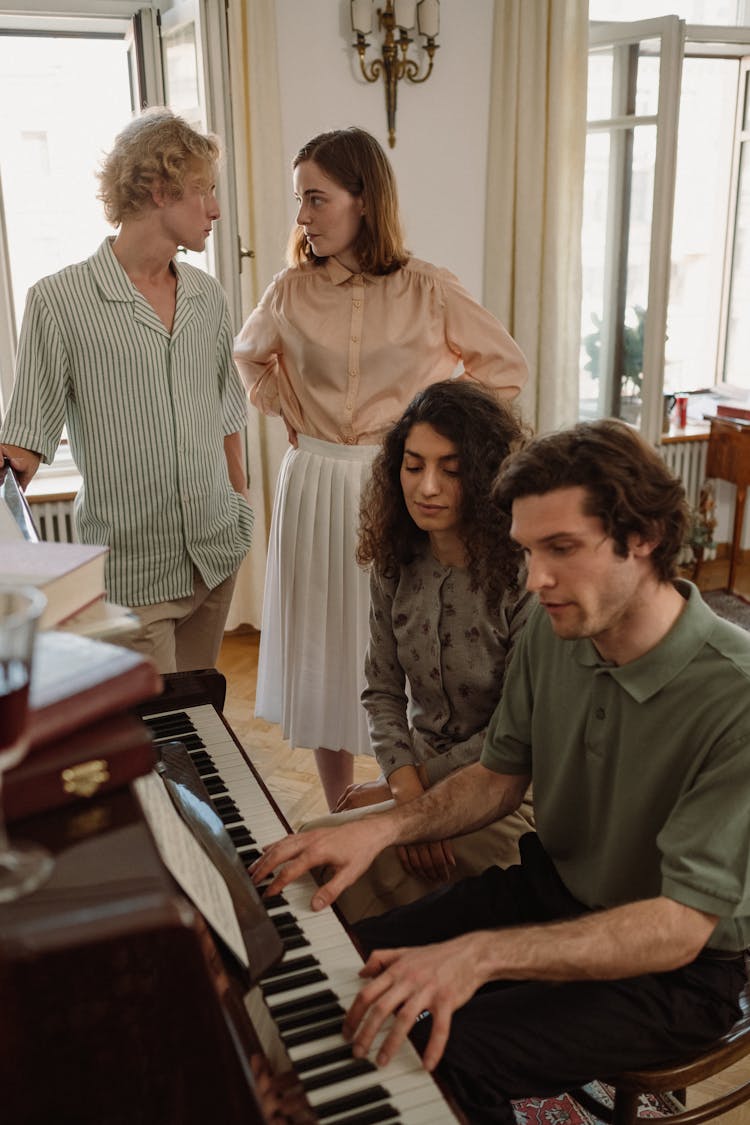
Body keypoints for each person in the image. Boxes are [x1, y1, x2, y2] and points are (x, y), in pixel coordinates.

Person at [251, 418, 750, 1125]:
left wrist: (479, 956)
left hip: (674, 972)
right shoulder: (555, 630)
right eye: (526, 549)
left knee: (436, 1049)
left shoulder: (736, 695)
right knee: (343, 966)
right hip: (551, 891)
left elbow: (679, 926)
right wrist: (380, 829)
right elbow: (498, 776)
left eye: (561, 549)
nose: (534, 578)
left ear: (644, 539)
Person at [233, 126, 527, 810]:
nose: (302, 216)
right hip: (314, 480)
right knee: (321, 645)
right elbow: (248, 357)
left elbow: (505, 367)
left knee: (400, 637)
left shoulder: (429, 287)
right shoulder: (288, 290)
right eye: (299, 200)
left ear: (363, 200)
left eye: (316, 198)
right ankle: (340, 803)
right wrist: (291, 406)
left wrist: (435, 437)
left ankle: (407, 790)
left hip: (395, 482)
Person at [0, 108, 253, 673]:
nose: (215, 209)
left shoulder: (207, 296)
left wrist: (241, 508)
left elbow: (227, 412)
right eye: (202, 191)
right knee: (157, 743)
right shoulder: (58, 301)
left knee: (201, 722)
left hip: (216, 556)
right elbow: (23, 445)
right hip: (133, 577)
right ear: (160, 190)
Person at [306, 380, 535, 923]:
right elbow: (382, 691)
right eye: (413, 466)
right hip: (418, 783)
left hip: (511, 794)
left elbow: (517, 731)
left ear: (484, 477)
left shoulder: (527, 573)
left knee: (322, 863)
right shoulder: (397, 558)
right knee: (310, 848)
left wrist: (412, 803)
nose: (427, 487)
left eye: (451, 469)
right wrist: (406, 792)